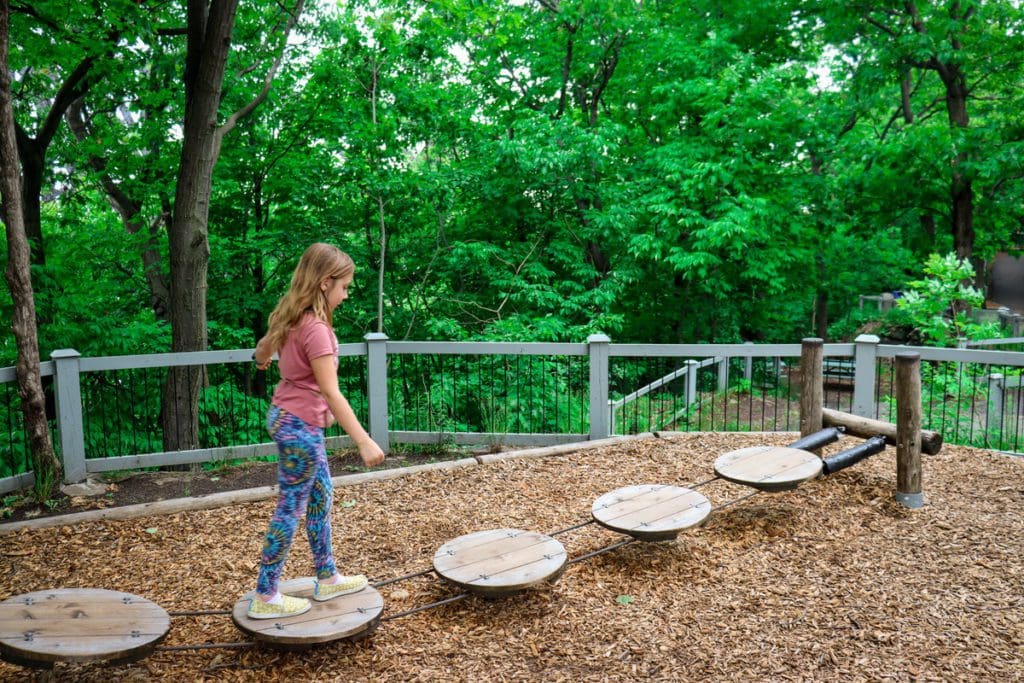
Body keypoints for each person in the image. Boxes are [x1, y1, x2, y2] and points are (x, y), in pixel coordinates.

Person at [247, 242, 386, 620]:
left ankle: (327, 577)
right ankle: (265, 594)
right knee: (290, 509)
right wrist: (364, 440)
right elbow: (330, 390)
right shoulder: (317, 330)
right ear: (326, 283)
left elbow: (262, 350)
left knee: (322, 495)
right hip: (300, 429)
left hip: (286, 417)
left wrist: (262, 360)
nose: (347, 292)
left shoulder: (290, 316)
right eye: (344, 286)